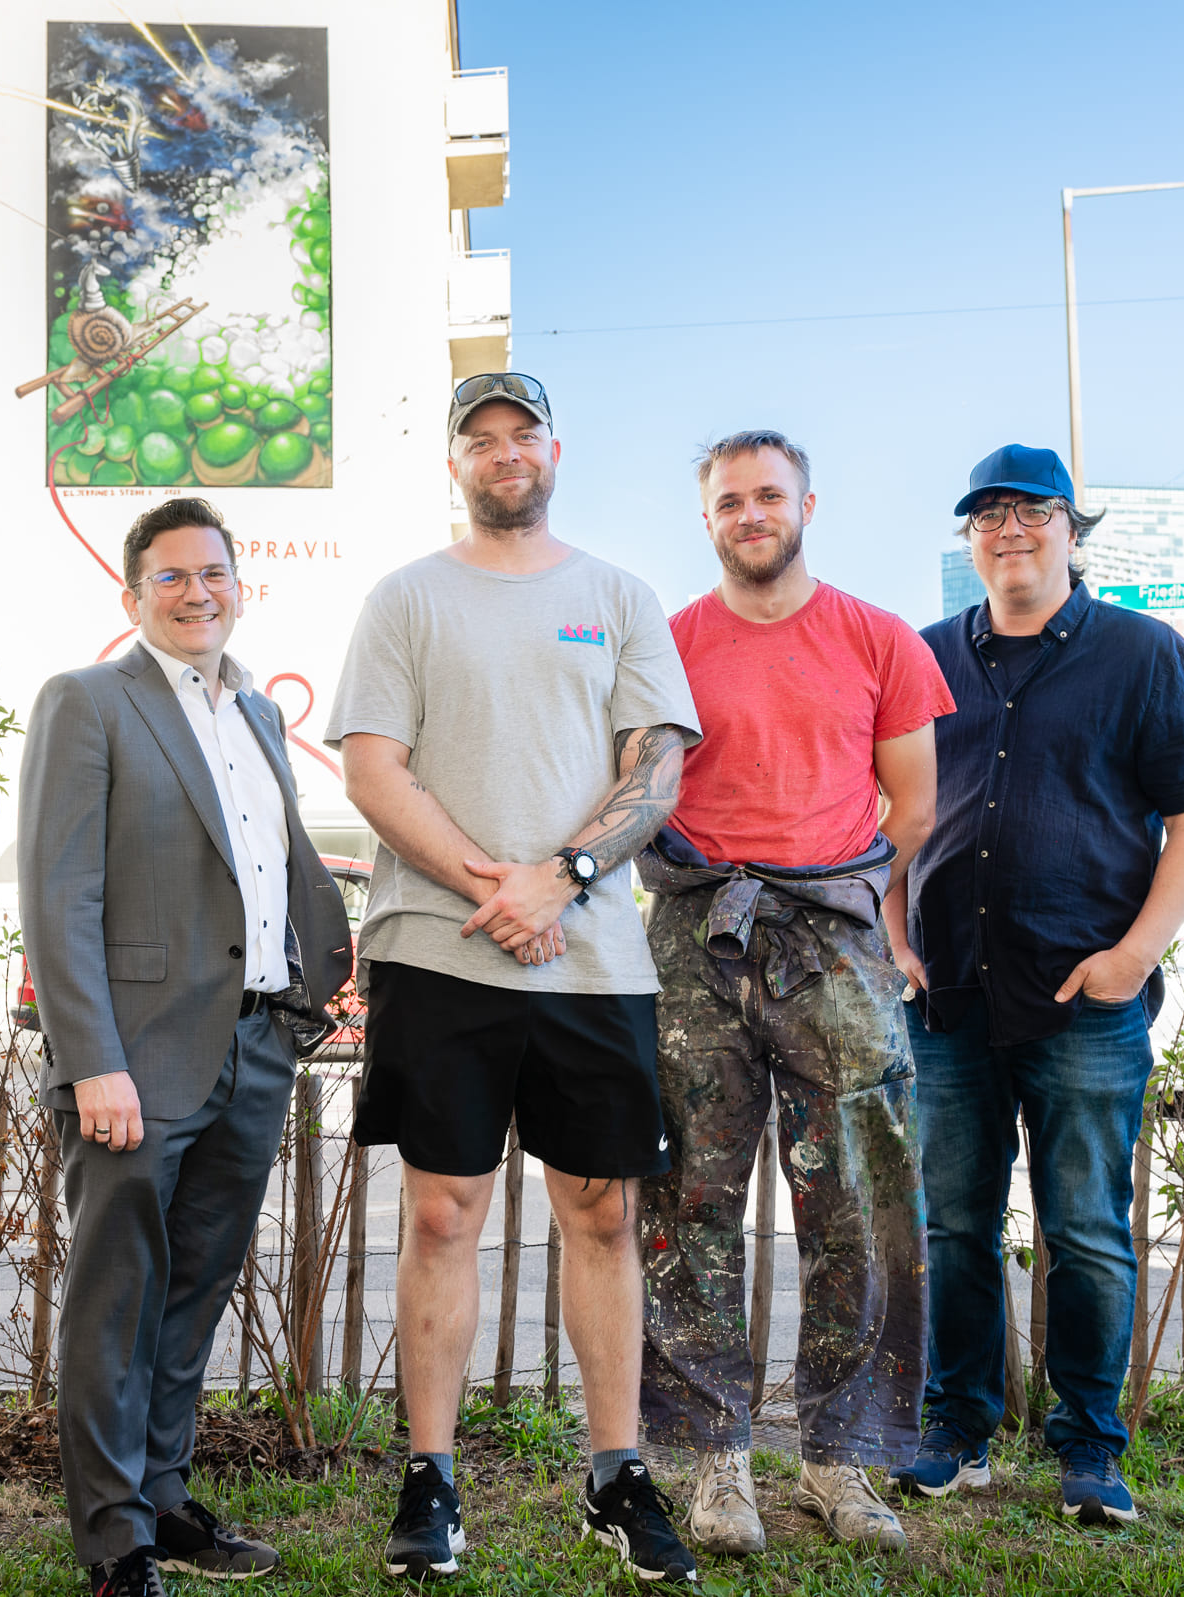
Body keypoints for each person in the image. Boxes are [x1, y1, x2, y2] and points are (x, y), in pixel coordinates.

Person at [328, 372, 704, 1584]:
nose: (504, 452)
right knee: (444, 1213)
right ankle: (430, 1478)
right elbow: (373, 770)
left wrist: (564, 877)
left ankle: (616, 1474)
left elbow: (657, 769)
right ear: (456, 462)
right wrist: (500, 889)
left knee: (603, 1214)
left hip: (591, 963)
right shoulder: (406, 599)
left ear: (554, 451)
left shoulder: (618, 597)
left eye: (522, 434)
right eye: (480, 438)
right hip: (439, 952)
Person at [896, 446, 1184, 1526]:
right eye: (988, 515)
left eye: (1033, 511)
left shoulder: (1143, 654)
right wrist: (892, 937)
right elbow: (885, 818)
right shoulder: (922, 659)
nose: (1010, 529)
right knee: (952, 1225)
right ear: (970, 539)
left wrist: (1134, 956)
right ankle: (956, 1428)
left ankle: (1091, 1445)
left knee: (1088, 1229)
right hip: (946, 997)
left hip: (1084, 1000)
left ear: (1071, 530)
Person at [18, 497, 355, 1597]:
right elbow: (59, 895)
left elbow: (270, 869)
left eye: (213, 573)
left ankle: (162, 1499)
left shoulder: (256, 713)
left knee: (193, 1291)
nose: (196, 591)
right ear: (134, 595)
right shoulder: (88, 701)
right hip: (136, 1059)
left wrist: (310, 985)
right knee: (117, 1301)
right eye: (171, 575)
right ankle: (115, 1543)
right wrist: (92, 1059)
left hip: (253, 1048)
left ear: (238, 588)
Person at [638, 430, 951, 1556]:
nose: (750, 514)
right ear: (708, 519)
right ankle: (715, 1461)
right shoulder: (668, 643)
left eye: (768, 494)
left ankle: (840, 1459)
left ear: (807, 505)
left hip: (835, 941)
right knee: (689, 1204)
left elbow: (912, 806)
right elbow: (640, 785)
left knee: (859, 1201)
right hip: (697, 934)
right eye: (729, 500)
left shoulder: (880, 638)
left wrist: (832, 889)